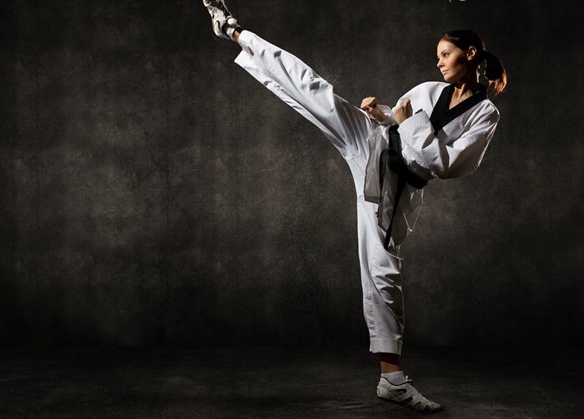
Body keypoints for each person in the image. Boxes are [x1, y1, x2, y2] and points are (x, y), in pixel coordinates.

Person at [202, 0, 507, 413]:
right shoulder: (429, 90)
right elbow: (396, 121)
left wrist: (404, 120)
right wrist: (380, 113)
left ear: (470, 54)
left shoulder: (485, 114)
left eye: (446, 54)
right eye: (437, 56)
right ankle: (233, 30)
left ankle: (392, 380)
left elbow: (448, 165)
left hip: (396, 186)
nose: (438, 63)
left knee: (382, 270)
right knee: (314, 89)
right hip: (373, 144)